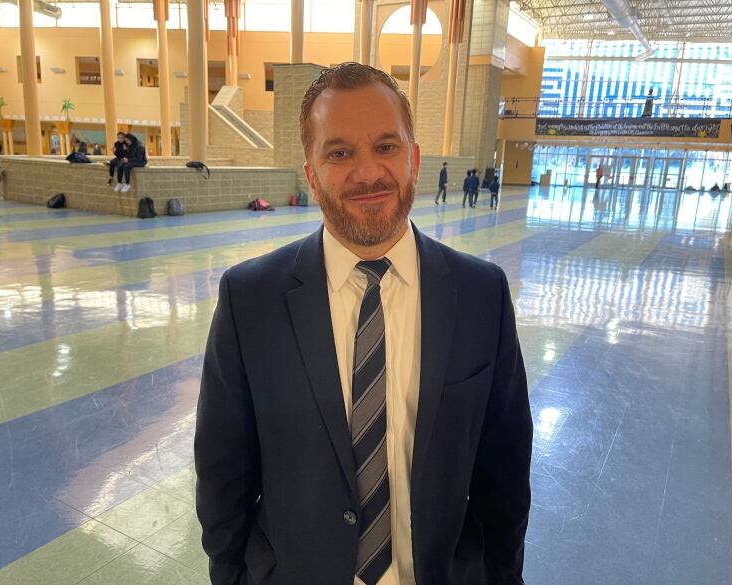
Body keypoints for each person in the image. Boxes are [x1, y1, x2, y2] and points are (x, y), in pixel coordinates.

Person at [195, 62, 532, 585]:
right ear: (310, 172)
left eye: (386, 146)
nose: (368, 172)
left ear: (414, 159)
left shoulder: (481, 295)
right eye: (339, 152)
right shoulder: (251, 300)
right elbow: (223, 470)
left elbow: (505, 471)